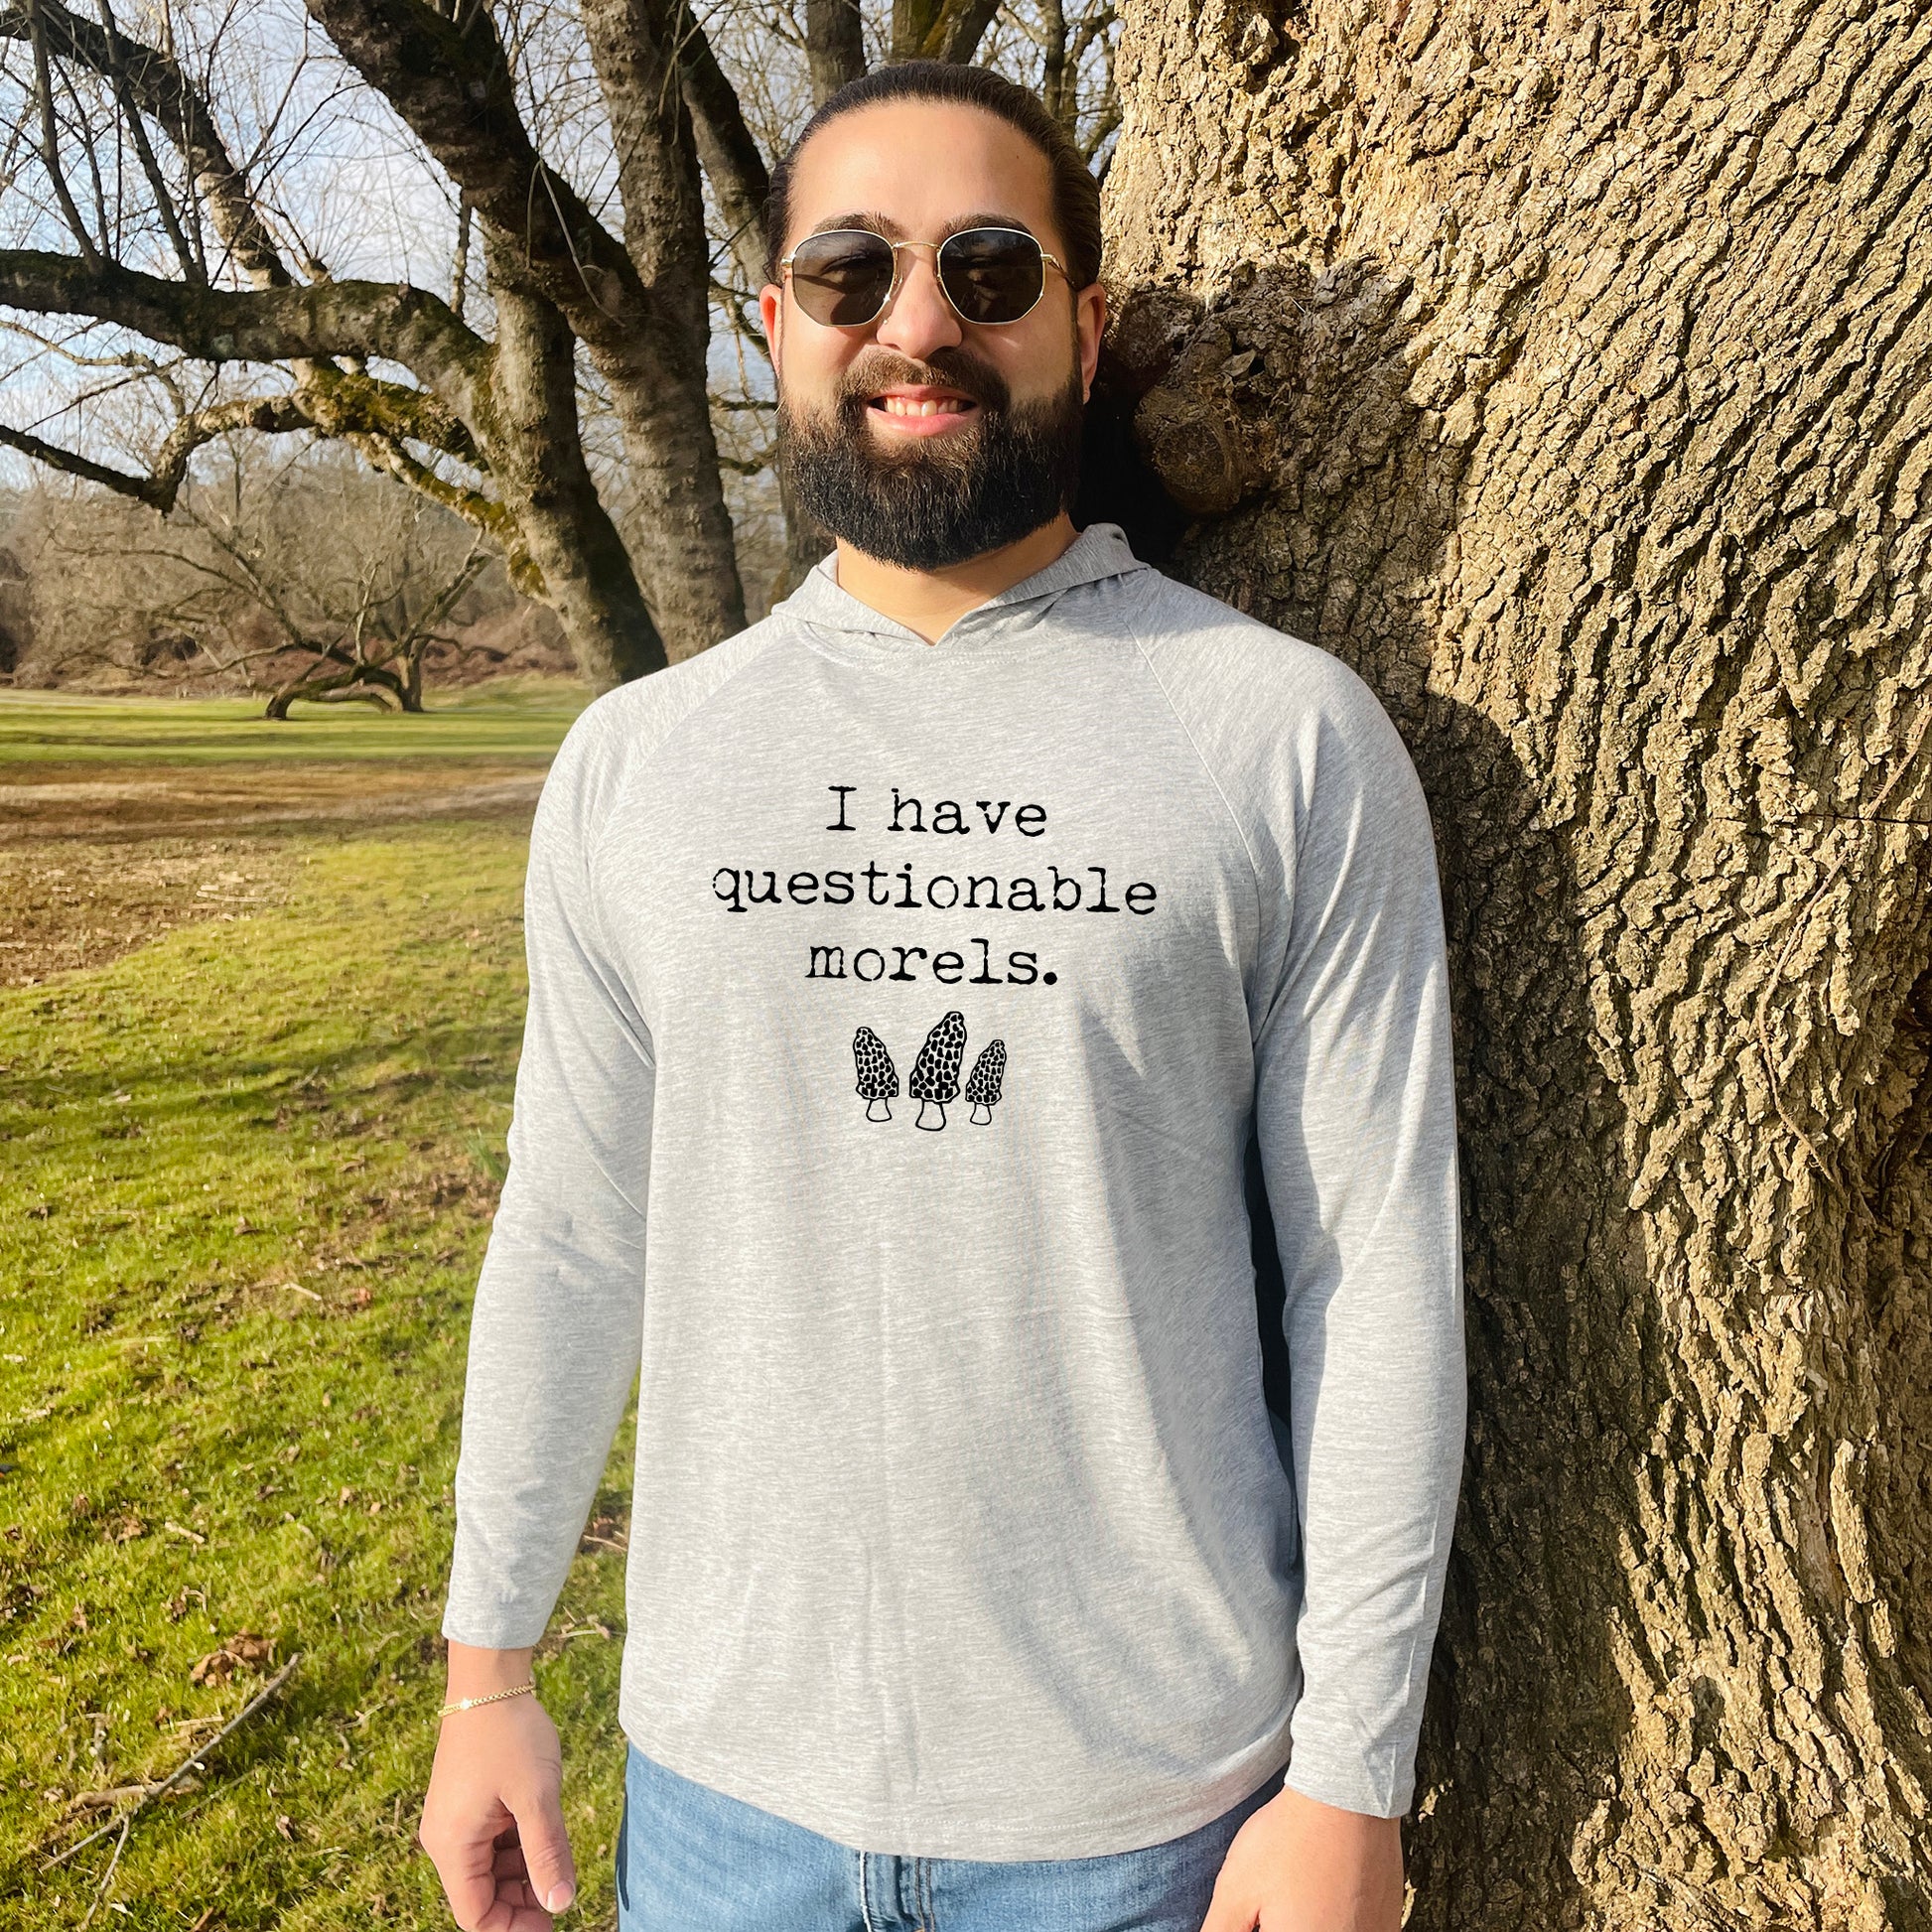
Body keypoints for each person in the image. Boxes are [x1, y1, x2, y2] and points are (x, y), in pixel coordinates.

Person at [418, 58, 1466, 1932]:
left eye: (987, 268)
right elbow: (570, 1237)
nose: (918, 324)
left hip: (1155, 1813)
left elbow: (1372, 1268)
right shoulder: (638, 763)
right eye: (850, 273)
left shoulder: (1281, 739)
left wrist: (1349, 1775)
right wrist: (487, 1670)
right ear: (775, 326)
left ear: (1084, 318)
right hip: (720, 1798)